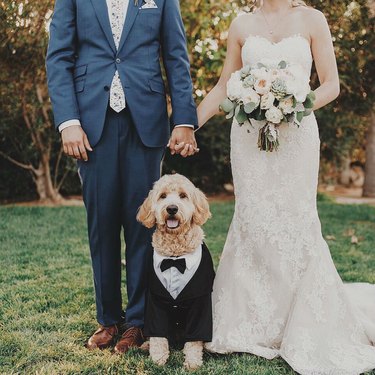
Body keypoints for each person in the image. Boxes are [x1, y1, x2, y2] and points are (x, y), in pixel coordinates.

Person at [196, 0, 375, 373]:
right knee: (253, 219)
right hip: (248, 139)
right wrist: (186, 123)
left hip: (296, 137)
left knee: (295, 221)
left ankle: (299, 319)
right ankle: (252, 320)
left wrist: (295, 103)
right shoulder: (242, 24)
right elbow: (224, 87)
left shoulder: (313, 19)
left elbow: (331, 85)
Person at [46, 0, 198, 353]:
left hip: (145, 122)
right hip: (90, 123)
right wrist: (68, 121)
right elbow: (59, 57)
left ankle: (139, 322)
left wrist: (184, 120)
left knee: (145, 225)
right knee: (102, 224)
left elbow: (176, 55)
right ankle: (109, 319)